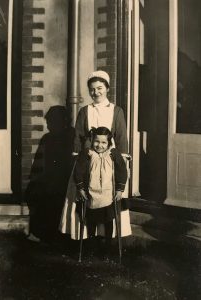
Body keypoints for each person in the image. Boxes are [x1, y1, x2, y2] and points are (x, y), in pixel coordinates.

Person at [60, 70, 132, 240]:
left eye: (100, 88)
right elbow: (78, 135)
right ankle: (84, 234)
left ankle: (109, 235)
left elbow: (121, 137)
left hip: (109, 162)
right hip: (88, 161)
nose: (96, 92)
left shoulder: (117, 111)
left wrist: (122, 159)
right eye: (92, 89)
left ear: (107, 89)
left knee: (108, 198)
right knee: (85, 194)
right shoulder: (85, 111)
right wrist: (78, 156)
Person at [74, 127, 128, 254]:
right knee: (91, 219)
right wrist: (81, 188)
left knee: (108, 220)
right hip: (91, 193)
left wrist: (119, 190)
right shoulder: (87, 153)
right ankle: (92, 244)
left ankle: (108, 245)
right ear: (92, 140)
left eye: (104, 142)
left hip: (108, 194)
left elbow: (122, 171)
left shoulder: (113, 154)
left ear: (109, 143)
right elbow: (78, 172)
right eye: (97, 141)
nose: (100, 145)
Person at [25, 105, 75, 243]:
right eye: (48, 123)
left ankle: (57, 235)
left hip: (67, 181)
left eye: (51, 122)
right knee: (35, 193)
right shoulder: (47, 138)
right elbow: (38, 164)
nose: (48, 126)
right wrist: (35, 181)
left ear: (63, 121)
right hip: (48, 181)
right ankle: (42, 233)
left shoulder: (72, 137)